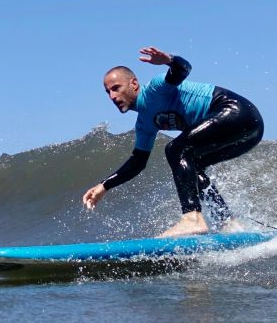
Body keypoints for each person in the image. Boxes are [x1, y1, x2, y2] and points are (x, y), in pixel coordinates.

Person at [82, 46, 264, 236]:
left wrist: (169, 60)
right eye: (108, 92)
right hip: (249, 134)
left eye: (116, 88)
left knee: (175, 149)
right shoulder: (144, 124)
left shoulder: (156, 89)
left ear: (134, 84)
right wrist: (104, 186)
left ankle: (192, 218)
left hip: (238, 112)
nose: (112, 96)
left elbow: (183, 69)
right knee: (193, 165)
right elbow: (138, 162)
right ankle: (228, 223)